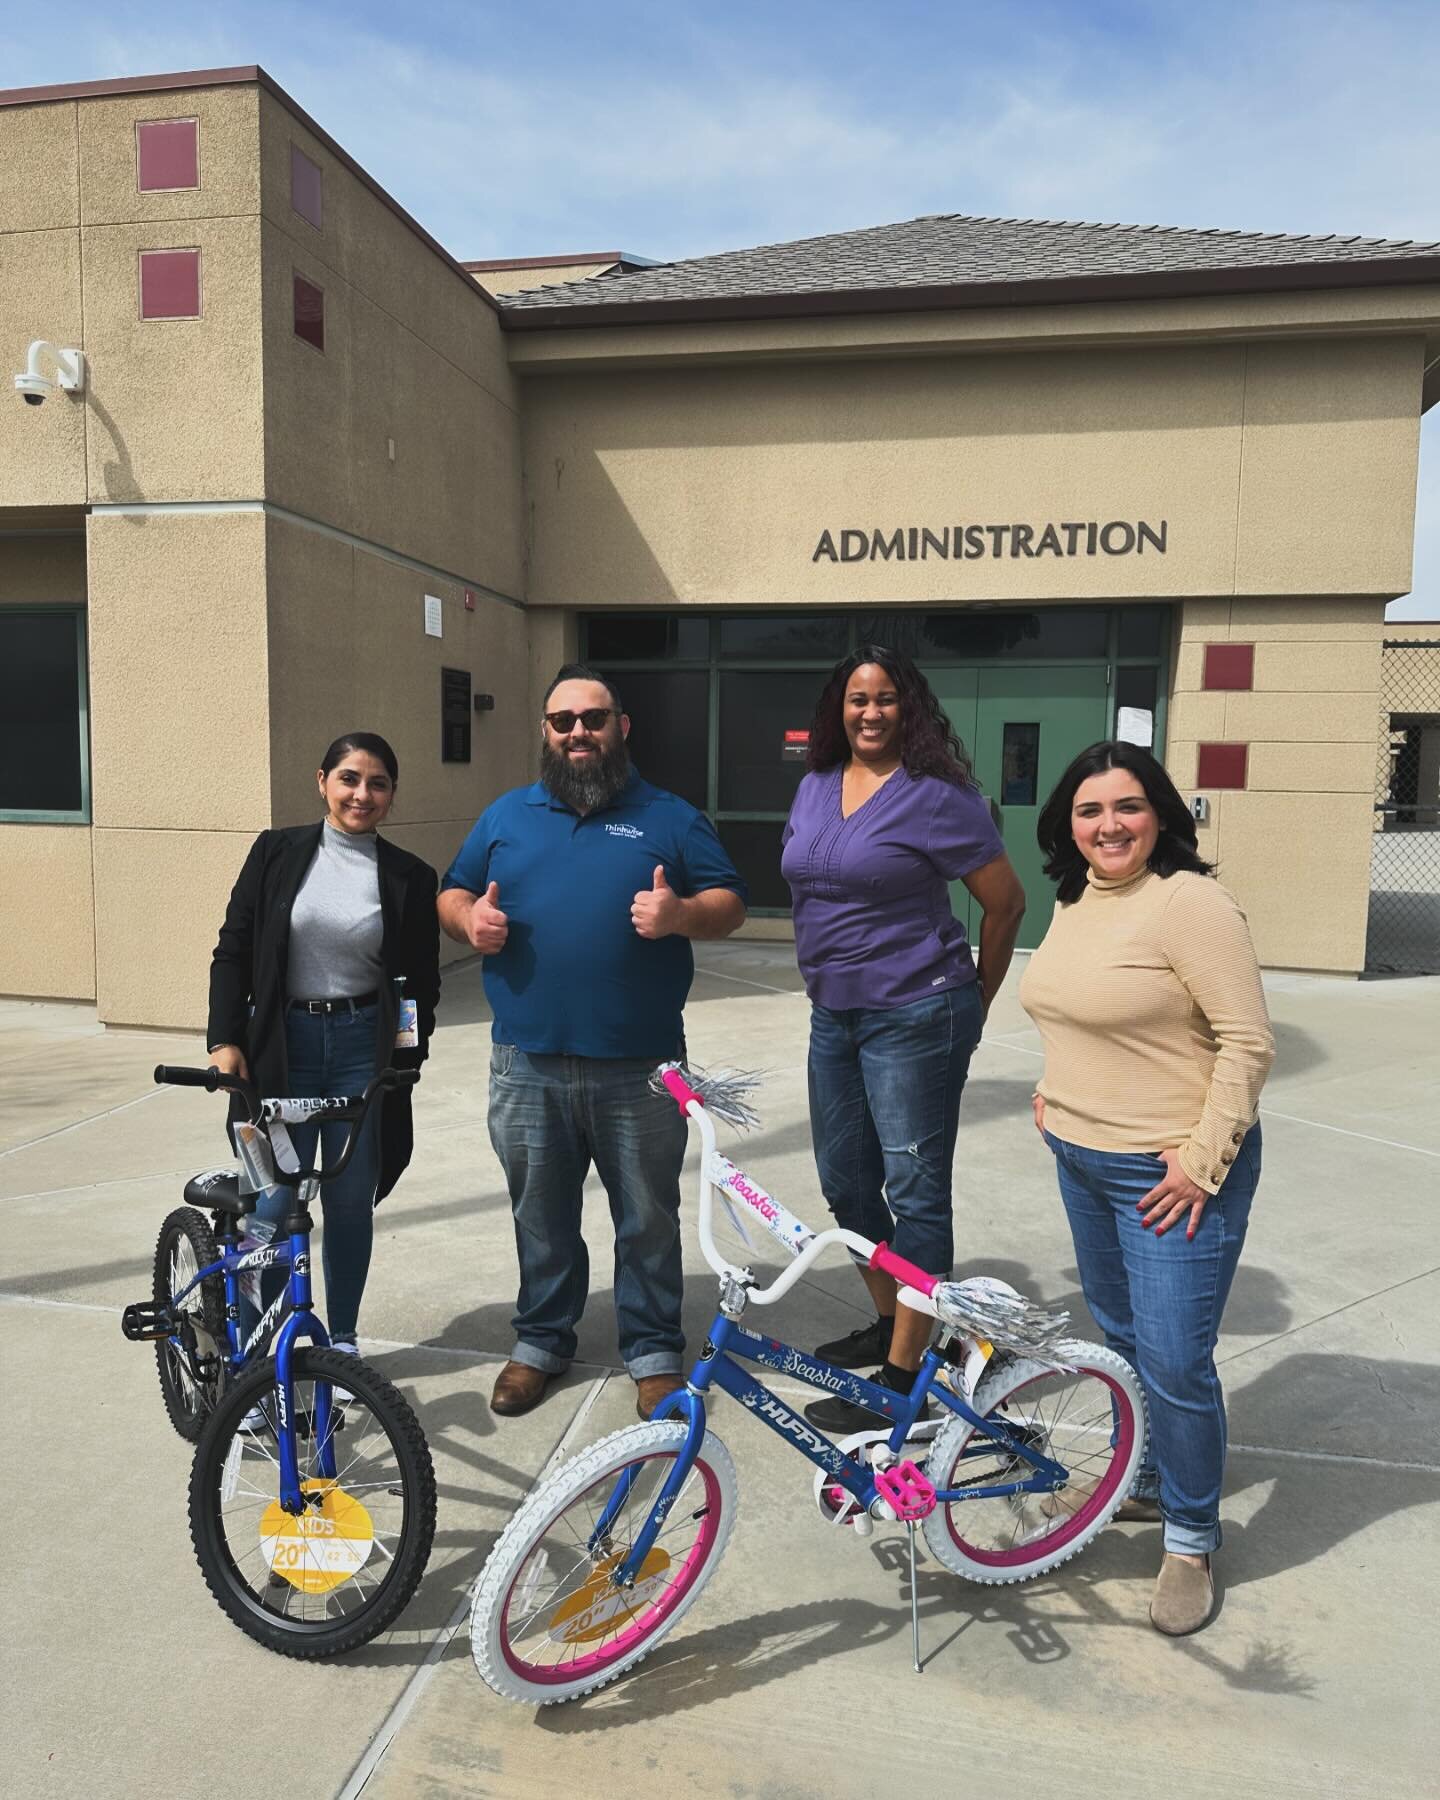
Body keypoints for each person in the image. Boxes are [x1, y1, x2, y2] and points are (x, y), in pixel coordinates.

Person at [439, 664, 748, 1422]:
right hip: (525, 1061)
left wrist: (680, 916)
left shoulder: (670, 816)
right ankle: (542, 1340)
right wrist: (467, 921)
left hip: (640, 1068)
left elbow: (731, 903)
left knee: (646, 1216)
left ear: (621, 727)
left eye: (593, 718)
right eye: (562, 720)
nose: (578, 731)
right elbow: (453, 889)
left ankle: (650, 1350)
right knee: (539, 1214)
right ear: (546, 732)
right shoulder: (507, 814)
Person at [1021, 740, 1274, 1637]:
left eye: (1126, 806)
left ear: (1161, 812)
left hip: (1171, 1173)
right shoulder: (1076, 894)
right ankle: (1154, 1479)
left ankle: (1191, 1537)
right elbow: (1067, 1005)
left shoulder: (1189, 903)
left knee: (1173, 1359)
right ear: (1069, 825)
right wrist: (1054, 1096)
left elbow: (1248, 1044)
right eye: (1089, 811)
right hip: (1083, 1157)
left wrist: (1201, 1161)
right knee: (1125, 1339)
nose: (1108, 825)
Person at [780, 645, 1028, 1433]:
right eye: (857, 698)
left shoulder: (937, 796)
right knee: (847, 1184)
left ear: (908, 708)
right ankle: (896, 1321)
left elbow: (1007, 903)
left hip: (917, 1013)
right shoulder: (816, 785)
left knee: (915, 1191)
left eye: (886, 698)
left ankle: (905, 1374)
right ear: (838, 709)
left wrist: (974, 1001)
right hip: (836, 1013)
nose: (871, 712)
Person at [207, 732, 441, 1360]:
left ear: (391, 795)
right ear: (322, 781)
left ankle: (341, 1343)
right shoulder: (275, 852)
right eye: (349, 778)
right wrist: (225, 1039)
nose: (361, 794)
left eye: (378, 783)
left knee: (347, 1198)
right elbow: (233, 948)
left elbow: (419, 984)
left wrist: (405, 1061)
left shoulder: (409, 878)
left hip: (362, 1047)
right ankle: (259, 1351)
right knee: (271, 1198)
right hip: (282, 1047)